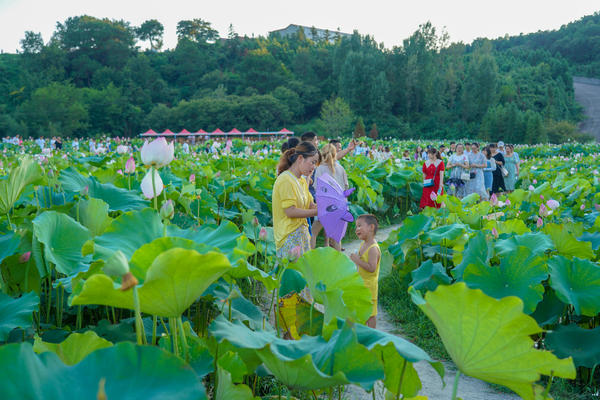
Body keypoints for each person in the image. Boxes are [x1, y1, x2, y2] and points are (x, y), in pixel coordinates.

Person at [272, 141, 319, 258]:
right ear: (300, 158)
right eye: (312, 162)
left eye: (315, 163)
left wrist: (328, 207)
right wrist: (318, 212)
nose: (314, 167)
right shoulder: (285, 180)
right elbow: (290, 211)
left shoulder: (302, 180)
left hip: (302, 235)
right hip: (288, 237)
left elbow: (310, 205)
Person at [311, 144, 348, 251]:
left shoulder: (320, 169)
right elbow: (346, 187)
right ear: (335, 154)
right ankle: (338, 260)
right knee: (336, 238)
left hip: (326, 206)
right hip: (340, 205)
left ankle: (309, 258)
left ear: (322, 154)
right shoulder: (341, 168)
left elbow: (317, 188)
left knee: (313, 233)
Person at [350, 214, 381, 328]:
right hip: (361, 284)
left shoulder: (373, 248)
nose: (356, 229)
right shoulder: (363, 244)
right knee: (361, 310)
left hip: (369, 287)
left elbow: (372, 268)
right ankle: (363, 332)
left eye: (359, 226)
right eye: (356, 227)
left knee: (370, 314)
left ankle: (372, 333)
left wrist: (357, 261)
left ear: (371, 227)